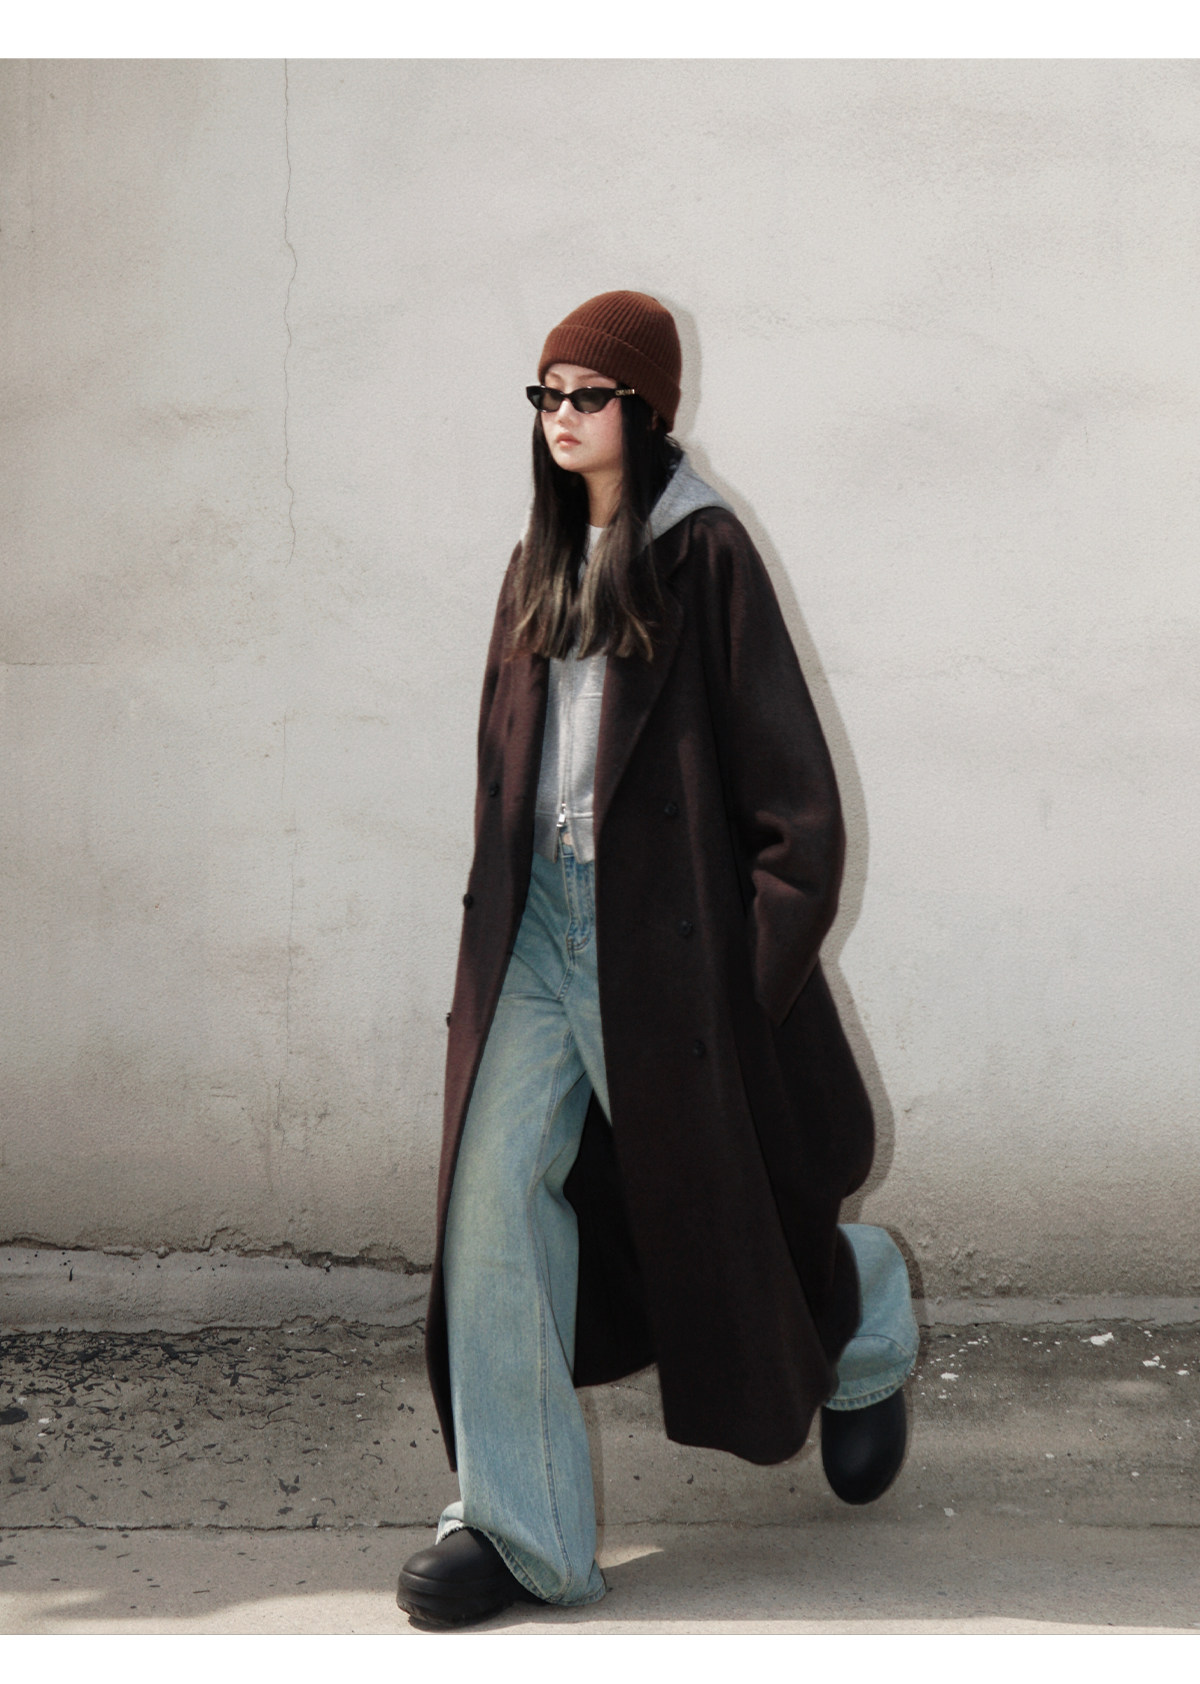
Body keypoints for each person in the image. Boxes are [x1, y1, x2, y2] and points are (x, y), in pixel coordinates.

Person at [397, 292, 918, 1629]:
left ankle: (863, 1301)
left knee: (724, 1221)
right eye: (547, 393)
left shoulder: (705, 553)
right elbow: (506, 769)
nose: (562, 415)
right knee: (490, 1205)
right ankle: (523, 1533)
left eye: (589, 393)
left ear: (645, 408)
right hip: (537, 935)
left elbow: (799, 816)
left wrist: (740, 991)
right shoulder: (535, 563)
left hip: (665, 957)